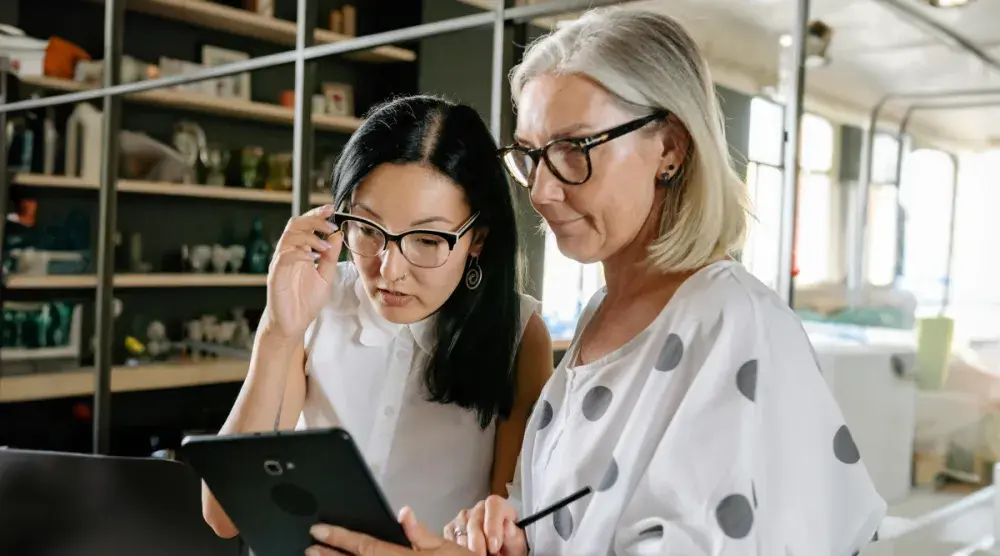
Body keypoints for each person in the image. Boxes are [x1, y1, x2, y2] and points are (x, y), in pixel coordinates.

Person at [305, 7, 886, 556]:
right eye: (531, 155)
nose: (540, 191)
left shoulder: (731, 320)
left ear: (671, 147)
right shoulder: (601, 317)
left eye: (575, 149)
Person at [200, 95, 553, 539]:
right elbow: (224, 516)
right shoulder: (320, 300)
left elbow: (504, 535)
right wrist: (277, 330)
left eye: (426, 239)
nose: (390, 270)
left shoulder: (518, 336)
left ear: (477, 238)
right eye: (367, 230)